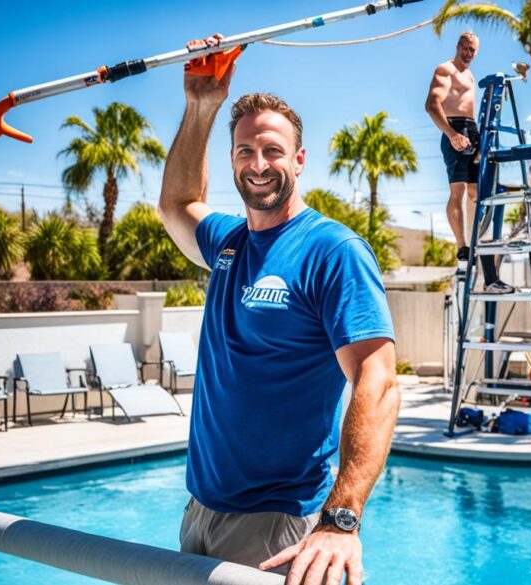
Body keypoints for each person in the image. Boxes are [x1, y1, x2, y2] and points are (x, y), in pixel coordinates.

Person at [158, 35, 400, 585]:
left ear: (299, 159)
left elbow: (378, 379)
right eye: (245, 151)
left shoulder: (331, 250)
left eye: (272, 150)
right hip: (201, 509)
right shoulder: (227, 242)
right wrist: (201, 107)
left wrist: (341, 520)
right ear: (232, 161)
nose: (258, 163)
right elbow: (176, 204)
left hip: (275, 524)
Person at [425, 31, 514, 293]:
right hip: (453, 128)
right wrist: (451, 135)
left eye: (472, 50)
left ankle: (483, 257)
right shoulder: (446, 69)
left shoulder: (471, 75)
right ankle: (462, 247)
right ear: (458, 46)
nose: (468, 53)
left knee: (478, 194)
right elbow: (431, 105)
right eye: (465, 48)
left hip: (473, 131)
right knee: (459, 191)